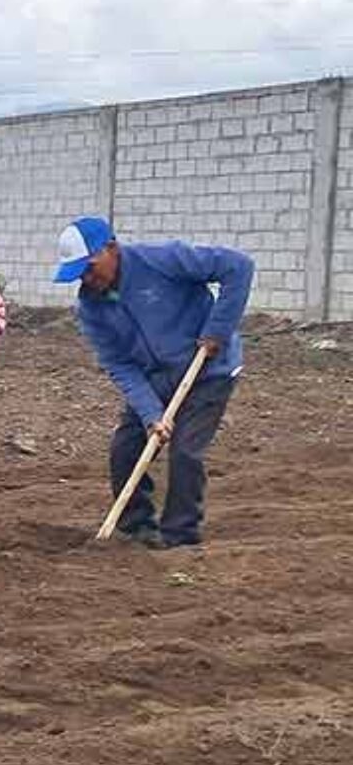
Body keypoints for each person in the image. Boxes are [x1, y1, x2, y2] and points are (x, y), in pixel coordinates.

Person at [54, 217, 251, 549]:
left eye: (89, 268)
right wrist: (150, 414)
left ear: (111, 250)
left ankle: (180, 539)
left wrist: (218, 329)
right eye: (79, 274)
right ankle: (136, 529)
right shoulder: (91, 308)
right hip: (155, 379)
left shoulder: (162, 259)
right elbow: (119, 363)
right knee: (124, 449)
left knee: (186, 452)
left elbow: (239, 267)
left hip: (209, 371)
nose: (86, 279)